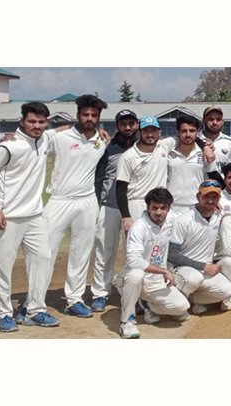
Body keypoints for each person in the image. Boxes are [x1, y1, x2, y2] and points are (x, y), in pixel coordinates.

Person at [0, 102, 60, 332]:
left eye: (41, 122)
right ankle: (3, 314)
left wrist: (100, 131)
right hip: (7, 217)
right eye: (32, 121)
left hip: (35, 215)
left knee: (43, 260)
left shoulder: (44, 139)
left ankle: (35, 310)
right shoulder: (7, 147)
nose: (37, 126)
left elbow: (63, 129)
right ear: (22, 121)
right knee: (3, 267)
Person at [40, 94, 109, 318]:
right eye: (85, 114)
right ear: (77, 115)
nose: (89, 118)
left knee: (81, 253)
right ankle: (34, 302)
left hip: (87, 201)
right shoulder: (60, 137)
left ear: (98, 117)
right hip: (59, 200)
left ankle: (74, 300)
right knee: (45, 252)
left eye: (94, 115)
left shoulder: (102, 140)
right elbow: (35, 138)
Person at [112, 188, 190, 339]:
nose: (158, 212)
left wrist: (216, 211)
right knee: (136, 275)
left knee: (182, 307)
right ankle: (127, 321)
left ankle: (147, 304)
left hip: (156, 282)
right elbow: (134, 261)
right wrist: (164, 271)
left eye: (163, 208)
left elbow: (189, 218)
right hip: (135, 279)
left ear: (169, 208)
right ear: (147, 207)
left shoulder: (171, 220)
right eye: (154, 208)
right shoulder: (138, 228)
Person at [116, 116, 212, 234]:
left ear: (159, 132)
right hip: (136, 204)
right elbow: (120, 189)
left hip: (159, 205)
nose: (150, 135)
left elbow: (190, 137)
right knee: (136, 243)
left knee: (159, 242)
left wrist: (205, 147)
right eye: (146, 131)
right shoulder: (128, 156)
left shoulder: (165, 145)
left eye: (153, 131)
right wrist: (126, 217)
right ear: (139, 132)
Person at [91, 109, 139, 312]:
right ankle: (100, 293)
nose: (127, 127)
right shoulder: (108, 147)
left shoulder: (143, 145)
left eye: (131, 123)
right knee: (105, 251)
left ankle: (133, 292)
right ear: (117, 125)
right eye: (123, 124)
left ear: (137, 124)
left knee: (134, 252)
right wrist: (96, 204)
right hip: (110, 205)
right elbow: (98, 177)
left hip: (134, 205)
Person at [168, 180, 231, 315]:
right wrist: (203, 266)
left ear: (219, 199)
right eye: (206, 196)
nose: (210, 200)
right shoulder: (183, 220)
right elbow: (172, 255)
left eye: (214, 197)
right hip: (183, 269)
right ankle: (178, 306)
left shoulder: (219, 217)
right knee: (193, 279)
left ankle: (194, 300)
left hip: (206, 270)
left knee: (227, 291)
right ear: (198, 196)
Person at [166, 115, 219, 214]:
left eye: (192, 131)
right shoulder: (168, 152)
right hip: (171, 206)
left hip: (197, 205)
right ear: (177, 132)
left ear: (197, 132)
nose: (188, 134)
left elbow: (213, 178)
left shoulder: (205, 153)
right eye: (184, 131)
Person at [199, 106, 231, 174]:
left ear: (222, 122)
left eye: (218, 119)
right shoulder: (194, 141)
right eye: (211, 119)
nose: (215, 123)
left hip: (222, 181)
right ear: (204, 121)